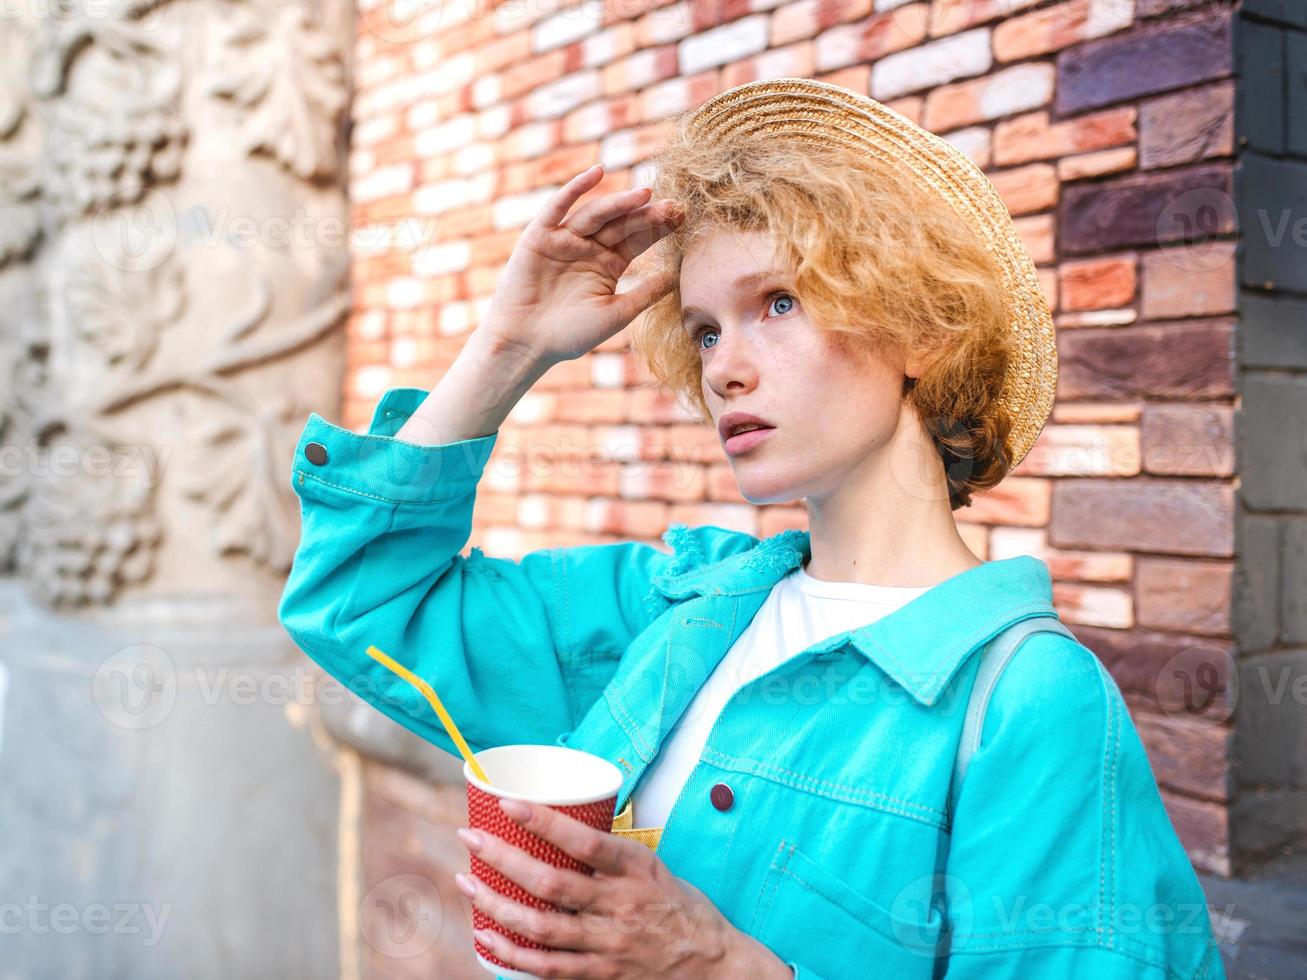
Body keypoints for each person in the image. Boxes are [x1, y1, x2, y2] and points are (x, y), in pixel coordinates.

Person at [279, 78, 1227, 979]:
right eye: (703, 330)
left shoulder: (1028, 701)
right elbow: (362, 603)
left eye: (775, 303)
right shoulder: (675, 605)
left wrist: (717, 962)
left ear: (920, 329)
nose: (725, 367)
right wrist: (508, 344)